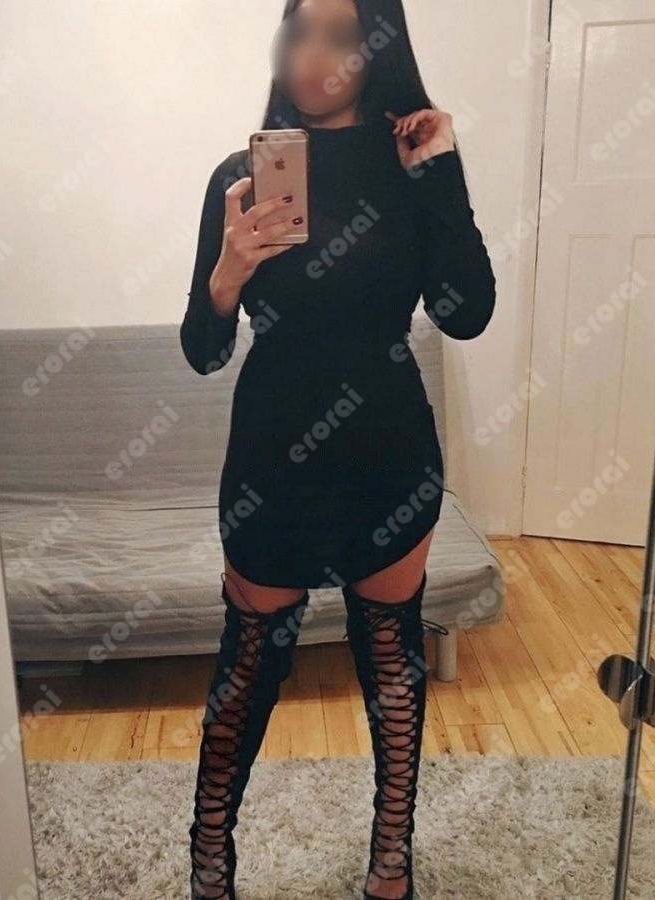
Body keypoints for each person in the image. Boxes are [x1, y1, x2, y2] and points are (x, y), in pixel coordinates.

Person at [181, 1, 497, 897]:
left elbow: (466, 314)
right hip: (271, 460)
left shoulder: (413, 170)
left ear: (379, 50)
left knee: (392, 666)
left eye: (341, 35)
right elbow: (202, 352)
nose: (312, 54)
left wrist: (440, 173)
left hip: (388, 454)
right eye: (298, 30)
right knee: (247, 666)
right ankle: (210, 858)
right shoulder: (241, 177)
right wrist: (227, 276)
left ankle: (391, 864)